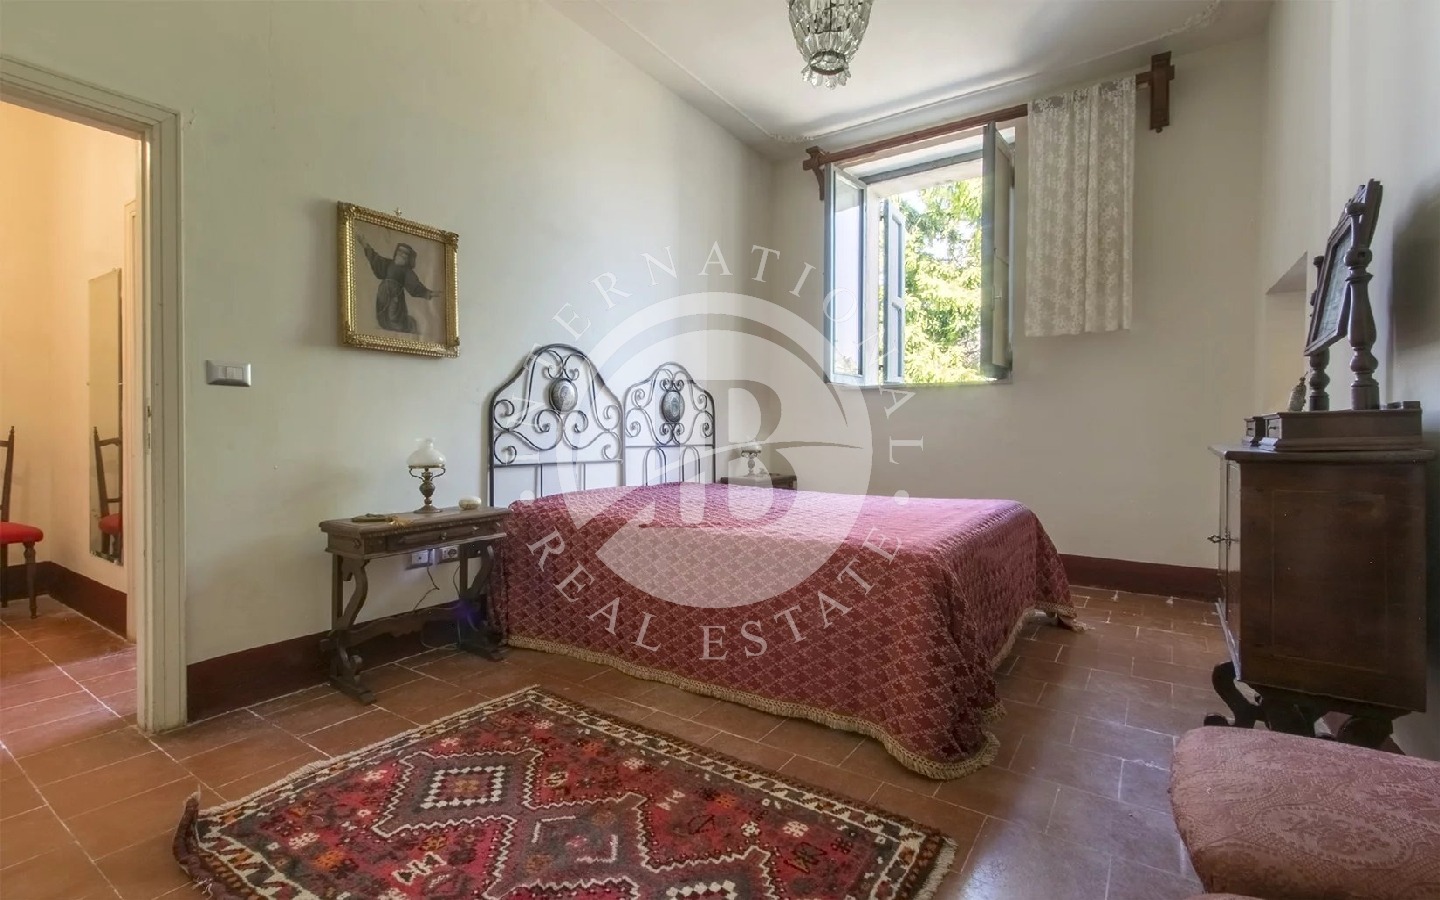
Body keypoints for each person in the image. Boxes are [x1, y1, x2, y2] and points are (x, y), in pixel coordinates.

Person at [354, 233, 440, 334]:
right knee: (383, 315)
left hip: (395, 295)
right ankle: (384, 323)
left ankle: (404, 325)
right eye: (400, 251)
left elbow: (415, 285)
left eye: (405, 254)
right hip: (383, 294)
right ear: (396, 252)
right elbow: (375, 258)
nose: (401, 254)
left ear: (408, 258)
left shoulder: (406, 271)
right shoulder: (388, 264)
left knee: (394, 316)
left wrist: (429, 293)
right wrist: (365, 244)